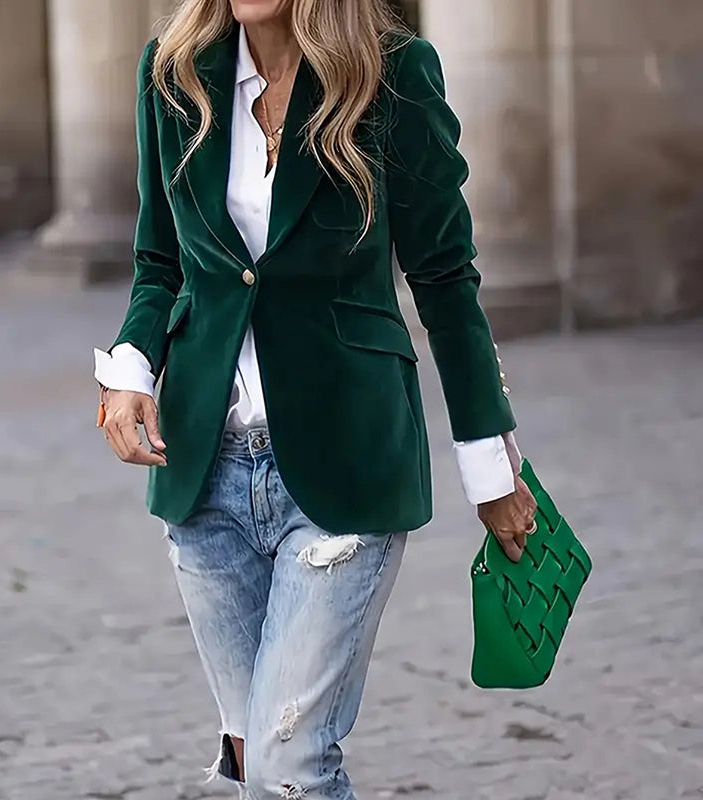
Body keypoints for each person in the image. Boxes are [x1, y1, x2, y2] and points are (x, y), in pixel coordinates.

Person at [93, 0, 537, 795]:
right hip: (207, 469)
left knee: (287, 763)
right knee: (248, 759)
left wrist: (489, 459)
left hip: (347, 460)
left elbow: (443, 274)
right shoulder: (172, 73)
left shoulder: (393, 72)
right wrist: (129, 370)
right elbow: (160, 258)